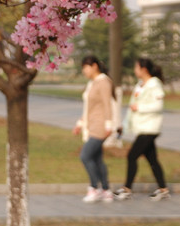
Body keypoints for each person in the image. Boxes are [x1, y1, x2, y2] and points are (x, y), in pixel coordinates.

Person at [114, 57, 171, 201]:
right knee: (152, 159)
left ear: (144, 69)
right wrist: (124, 125)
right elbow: (132, 106)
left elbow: (158, 106)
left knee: (132, 156)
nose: (134, 71)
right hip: (142, 127)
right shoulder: (140, 85)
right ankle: (163, 189)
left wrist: (140, 108)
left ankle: (127, 189)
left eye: (136, 67)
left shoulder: (154, 85)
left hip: (150, 128)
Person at [73, 56, 114, 203]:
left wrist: (109, 125)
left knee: (85, 156)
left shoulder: (103, 82)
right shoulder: (93, 83)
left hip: (100, 126)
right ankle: (106, 190)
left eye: (86, 67)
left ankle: (94, 188)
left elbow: (107, 104)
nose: (84, 70)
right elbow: (89, 108)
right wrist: (80, 123)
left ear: (95, 66)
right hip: (92, 125)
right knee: (97, 160)